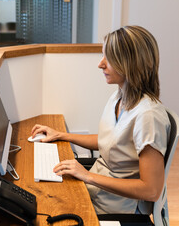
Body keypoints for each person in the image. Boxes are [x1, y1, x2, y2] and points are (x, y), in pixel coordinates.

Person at [31, 25, 171, 215]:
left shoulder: (148, 116)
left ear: (130, 63)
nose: (100, 64)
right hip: (97, 190)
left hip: (116, 208)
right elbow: (111, 142)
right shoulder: (120, 96)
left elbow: (151, 190)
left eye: (109, 58)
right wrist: (62, 135)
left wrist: (87, 176)